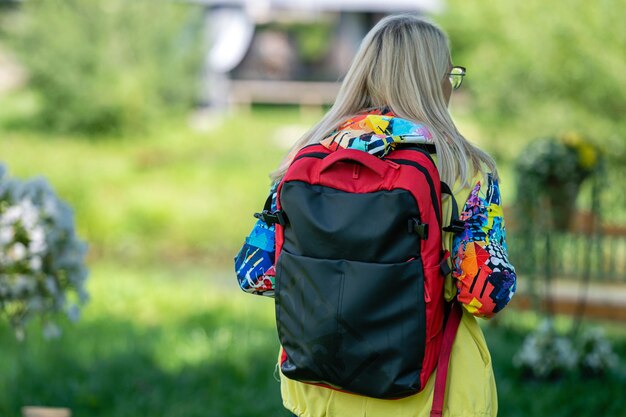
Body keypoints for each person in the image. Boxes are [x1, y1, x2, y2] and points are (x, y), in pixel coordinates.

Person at [234, 14, 517, 417]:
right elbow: (486, 294)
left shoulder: (310, 157)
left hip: (324, 387)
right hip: (433, 388)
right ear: (435, 82)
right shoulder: (465, 169)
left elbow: (254, 273)